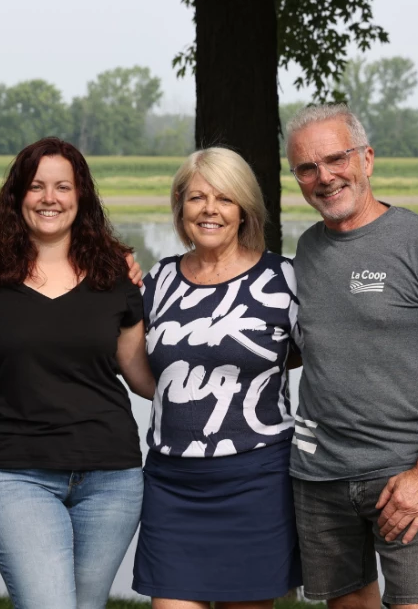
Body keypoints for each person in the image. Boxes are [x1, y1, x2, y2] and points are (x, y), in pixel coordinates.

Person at [284, 103, 418, 609]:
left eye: (336, 159)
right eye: (307, 168)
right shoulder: (306, 251)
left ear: (367, 159)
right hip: (320, 475)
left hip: (403, 475)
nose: (324, 177)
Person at [0, 137, 152, 609]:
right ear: (18, 194)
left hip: (112, 477)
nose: (49, 198)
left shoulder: (115, 273)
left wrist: (240, 368)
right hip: (17, 472)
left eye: (63, 186)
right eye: (37, 186)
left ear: (80, 196)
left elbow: (141, 376)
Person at [130, 147, 303, 609]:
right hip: (172, 484)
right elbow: (140, 371)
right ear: (180, 206)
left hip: (257, 481)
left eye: (225, 198)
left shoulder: (284, 280)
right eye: (197, 198)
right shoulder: (158, 281)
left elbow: (310, 357)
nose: (210, 210)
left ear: (244, 208)